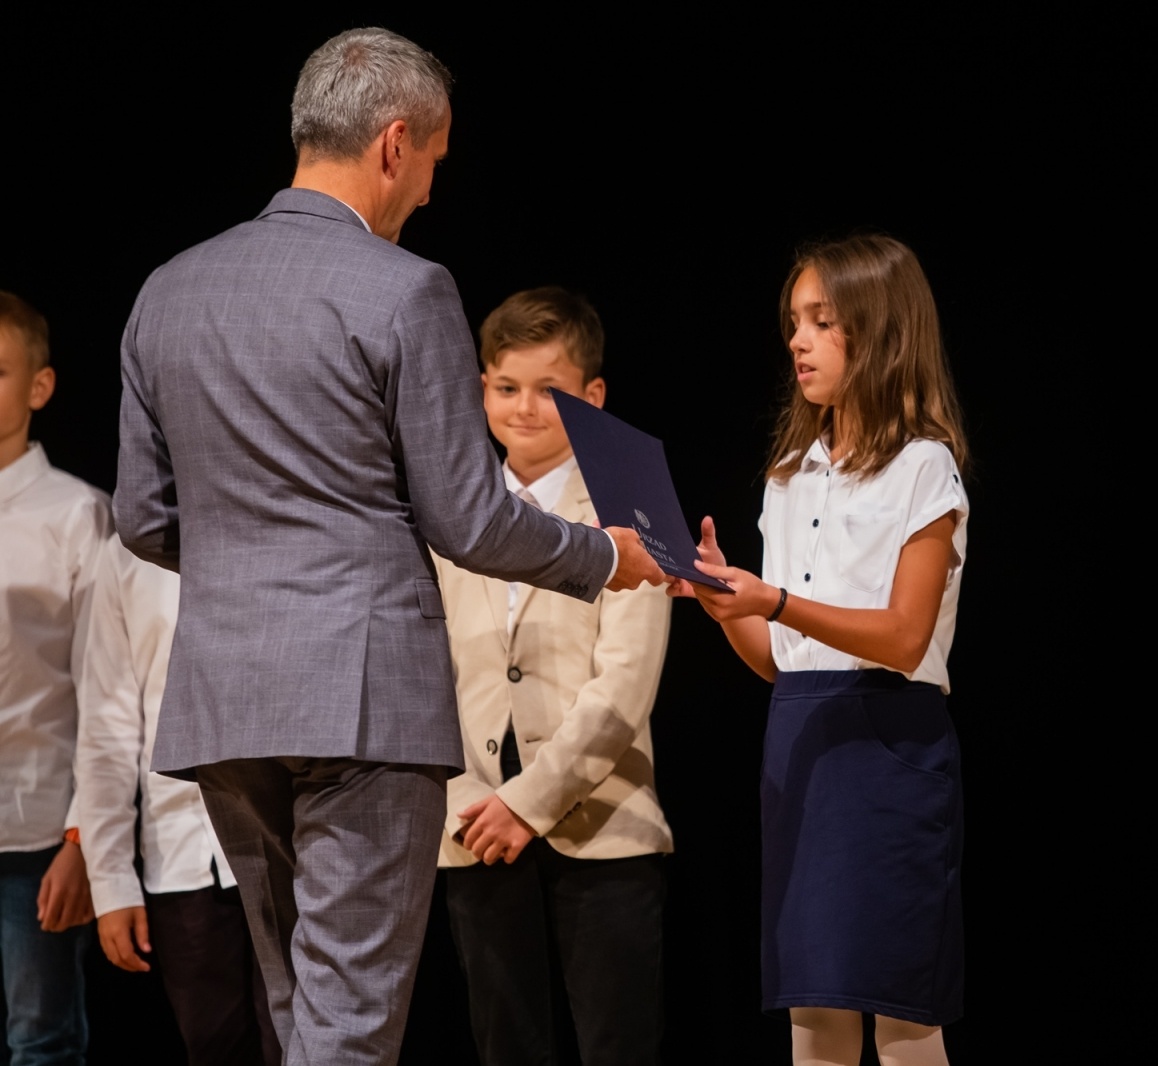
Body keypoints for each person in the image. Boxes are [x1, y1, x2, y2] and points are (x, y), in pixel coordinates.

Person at [112, 29, 665, 1066]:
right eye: (433, 166)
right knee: (352, 1020)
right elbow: (468, 518)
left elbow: (143, 517)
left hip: (225, 696)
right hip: (362, 698)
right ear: (395, 144)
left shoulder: (166, 291)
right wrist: (608, 558)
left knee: (300, 1008)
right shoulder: (404, 288)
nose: (426, 196)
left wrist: (253, 570)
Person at [682, 236, 969, 1066]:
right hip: (801, 744)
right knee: (815, 1010)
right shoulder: (790, 474)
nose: (798, 341)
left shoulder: (924, 469)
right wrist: (718, 598)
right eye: (793, 323)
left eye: (822, 322)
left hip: (888, 747)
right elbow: (778, 655)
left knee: (903, 1011)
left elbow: (904, 634)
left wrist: (774, 599)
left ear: (877, 334)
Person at [436, 287, 674, 1065]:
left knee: (617, 1041)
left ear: (593, 396)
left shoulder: (630, 498)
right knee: (504, 1041)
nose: (526, 408)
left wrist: (529, 802)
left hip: (601, 823)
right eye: (507, 388)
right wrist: (473, 800)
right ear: (481, 390)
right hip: (473, 823)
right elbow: (427, 665)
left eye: (551, 390)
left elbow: (626, 683)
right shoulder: (448, 510)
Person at [75, 535, 279, 1066]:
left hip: (285, 839)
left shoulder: (279, 516)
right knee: (213, 1047)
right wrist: (112, 879)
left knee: (306, 1041)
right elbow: (109, 725)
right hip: (180, 851)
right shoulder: (123, 554)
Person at [0, 290, 108, 1064]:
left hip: (33, 828)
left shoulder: (77, 515)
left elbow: (107, 690)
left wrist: (83, 838)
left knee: (41, 1041)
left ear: (38, 388)